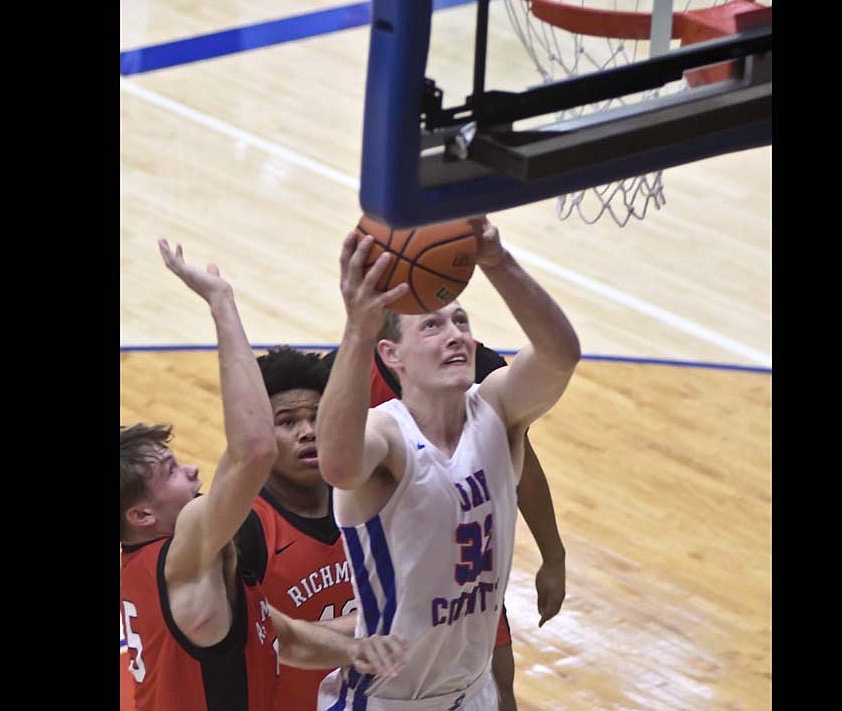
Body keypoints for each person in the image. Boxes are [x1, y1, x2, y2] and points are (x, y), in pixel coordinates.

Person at [119, 239, 407, 711]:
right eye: (171, 471)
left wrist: (354, 649)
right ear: (142, 513)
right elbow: (252, 450)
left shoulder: (177, 570)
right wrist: (222, 304)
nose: (191, 467)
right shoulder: (182, 551)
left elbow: (277, 633)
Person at [316, 216, 581, 710]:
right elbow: (338, 465)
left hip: (470, 692)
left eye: (461, 321)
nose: (456, 334)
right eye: (433, 325)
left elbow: (560, 355)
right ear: (392, 355)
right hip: (386, 699)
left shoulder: (497, 411)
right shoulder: (388, 435)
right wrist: (357, 328)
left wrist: (499, 263)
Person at [320, 339, 567, 711]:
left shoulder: (476, 370)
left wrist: (553, 554)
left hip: (469, 566)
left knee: (497, 681)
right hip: (386, 561)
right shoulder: (346, 373)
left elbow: (522, 461)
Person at [233, 346, 359, 711]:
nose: (308, 432)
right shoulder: (245, 527)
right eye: (287, 422)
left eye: (317, 418)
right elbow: (263, 638)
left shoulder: (366, 497)